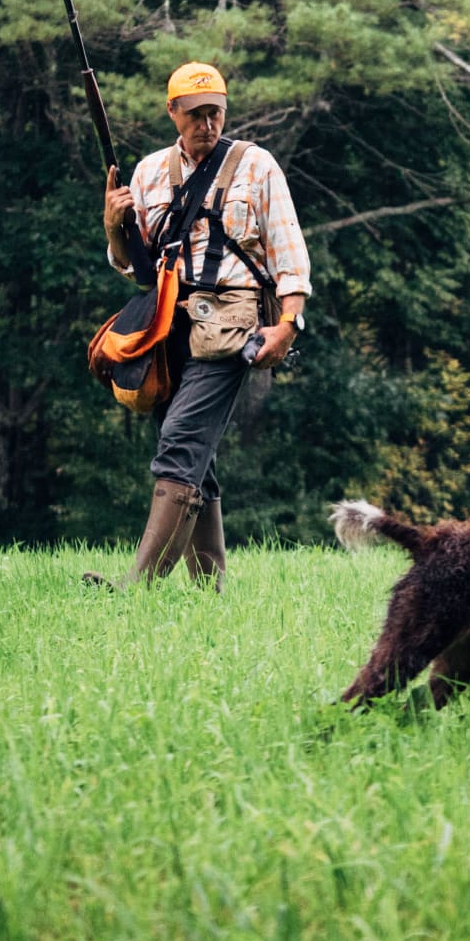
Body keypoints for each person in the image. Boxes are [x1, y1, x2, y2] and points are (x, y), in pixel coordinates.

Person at [85, 62, 311, 590]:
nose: (206, 124)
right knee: (190, 452)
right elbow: (133, 267)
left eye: (215, 113)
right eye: (195, 114)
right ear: (173, 112)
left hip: (230, 325)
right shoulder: (147, 173)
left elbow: (289, 253)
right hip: (166, 326)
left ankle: (136, 589)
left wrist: (288, 322)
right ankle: (210, 589)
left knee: (180, 444)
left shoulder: (256, 166)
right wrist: (114, 228)